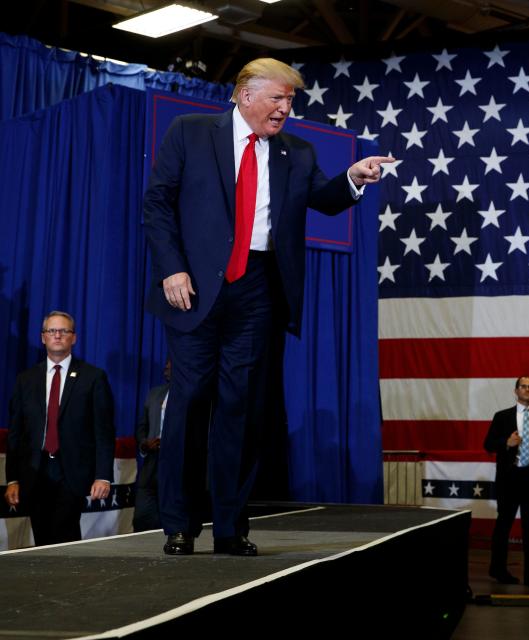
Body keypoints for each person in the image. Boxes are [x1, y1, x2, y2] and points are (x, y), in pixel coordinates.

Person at [142, 57, 393, 556]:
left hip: (259, 290)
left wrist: (354, 178)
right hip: (194, 287)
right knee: (190, 406)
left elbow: (322, 197)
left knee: (240, 411)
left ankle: (231, 528)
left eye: (291, 99)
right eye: (278, 98)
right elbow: (157, 203)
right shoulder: (190, 132)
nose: (285, 107)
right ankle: (179, 523)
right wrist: (172, 268)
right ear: (244, 95)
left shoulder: (295, 152)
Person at [4, 311, 115, 545]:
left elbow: (103, 431)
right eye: (52, 331)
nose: (57, 336)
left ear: (73, 338)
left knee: (65, 538)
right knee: (42, 540)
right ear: (43, 337)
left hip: (72, 472)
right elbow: (16, 434)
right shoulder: (26, 379)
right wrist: (12, 479)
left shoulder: (93, 377)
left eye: (63, 331)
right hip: (35, 472)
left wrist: (103, 476)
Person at [484, 376, 529, 587]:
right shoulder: (502, 417)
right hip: (510, 478)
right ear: (516, 391)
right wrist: (506, 442)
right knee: (503, 526)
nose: (527, 390)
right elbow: (488, 444)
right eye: (523, 386)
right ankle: (498, 570)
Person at [132, 359, 170, 532]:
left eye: (171, 367)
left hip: (174, 464)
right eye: (165, 367)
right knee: (142, 517)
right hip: (151, 464)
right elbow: (142, 427)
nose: (166, 370)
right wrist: (145, 444)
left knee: (168, 517)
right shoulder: (154, 393)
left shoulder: (190, 395)